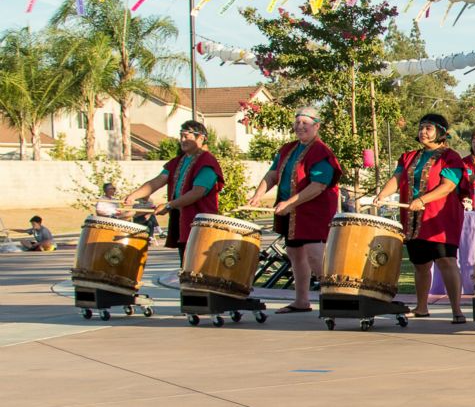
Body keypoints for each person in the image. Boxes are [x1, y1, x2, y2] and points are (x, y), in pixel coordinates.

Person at [248, 107, 341, 314]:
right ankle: (302, 301)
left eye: (305, 123)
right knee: (294, 252)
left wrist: (290, 203)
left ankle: (335, 298)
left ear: (316, 126)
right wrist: (258, 194)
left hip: (313, 212)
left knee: (315, 255)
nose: (300, 127)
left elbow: (318, 185)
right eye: (297, 122)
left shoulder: (321, 152)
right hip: (292, 212)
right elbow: (273, 174)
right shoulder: (287, 149)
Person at [377, 113, 469, 323]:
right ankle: (421, 307)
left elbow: (448, 186)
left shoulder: (450, 156)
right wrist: (382, 195)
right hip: (412, 219)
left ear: (441, 133)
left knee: (446, 261)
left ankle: (457, 309)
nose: (423, 132)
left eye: (428, 128)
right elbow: (397, 178)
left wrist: (423, 200)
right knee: (420, 264)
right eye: (421, 127)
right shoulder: (408, 156)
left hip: (440, 218)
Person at [122, 121, 225, 262]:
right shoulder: (178, 161)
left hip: (200, 224)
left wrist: (169, 205)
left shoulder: (207, 162)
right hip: (182, 220)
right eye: (181, 136)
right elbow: (157, 181)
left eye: (186, 136)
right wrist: (133, 196)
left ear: (200, 138)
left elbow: (197, 192)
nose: (182, 140)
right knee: (184, 264)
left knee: (196, 267)